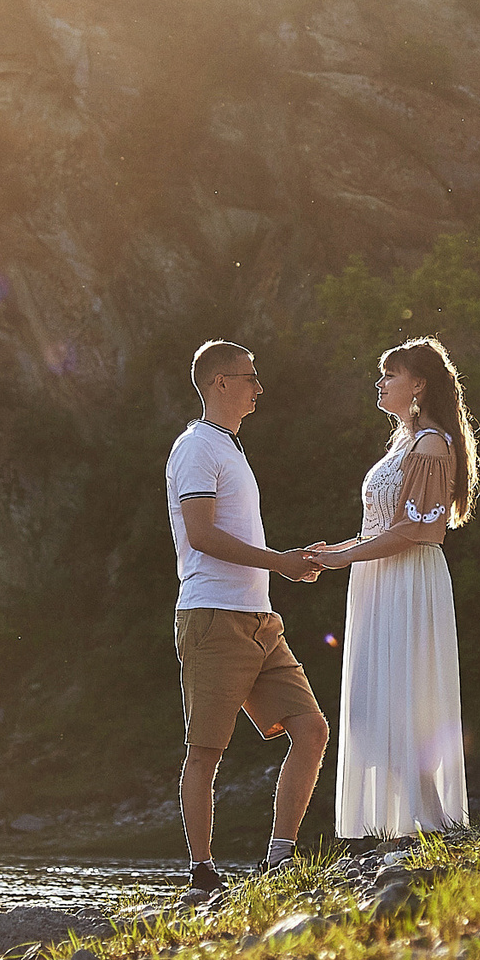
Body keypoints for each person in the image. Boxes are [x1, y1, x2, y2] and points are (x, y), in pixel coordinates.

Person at [166, 340, 329, 896]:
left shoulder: (231, 448)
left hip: (260, 622)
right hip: (213, 617)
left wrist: (286, 564)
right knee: (206, 750)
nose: (258, 387)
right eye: (249, 377)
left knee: (310, 729)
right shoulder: (196, 449)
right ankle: (203, 873)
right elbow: (202, 535)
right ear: (219, 383)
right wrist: (281, 564)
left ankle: (280, 857)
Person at [310, 337, 478, 840]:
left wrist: (343, 558)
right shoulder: (405, 442)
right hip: (380, 577)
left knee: (405, 694)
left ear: (419, 384)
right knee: (379, 699)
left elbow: (415, 531)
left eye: (390, 375)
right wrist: (332, 550)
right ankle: (408, 823)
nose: (380, 383)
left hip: (406, 579)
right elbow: (381, 526)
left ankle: (429, 821)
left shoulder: (430, 443)